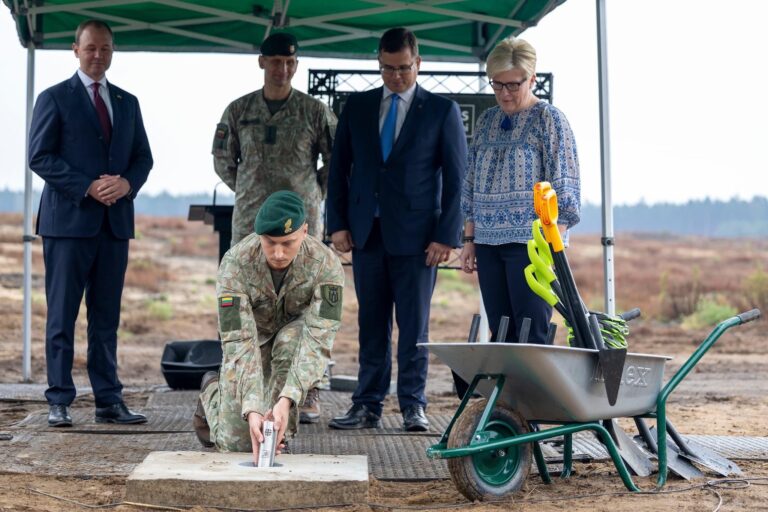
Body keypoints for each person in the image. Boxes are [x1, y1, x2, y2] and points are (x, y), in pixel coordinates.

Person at [326, 28, 466, 432]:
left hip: (420, 240)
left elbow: (458, 180)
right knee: (370, 325)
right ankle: (366, 405)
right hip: (366, 235)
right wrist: (337, 224)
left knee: (414, 327)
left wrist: (446, 235)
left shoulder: (442, 111)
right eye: (388, 69)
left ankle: (412, 406)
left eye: (404, 68)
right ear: (379, 63)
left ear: (418, 63)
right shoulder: (357, 106)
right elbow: (339, 172)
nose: (396, 76)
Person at [28, 19, 153, 427]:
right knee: (62, 316)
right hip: (67, 226)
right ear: (75, 50)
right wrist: (87, 187)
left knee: (105, 320)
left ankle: (108, 401)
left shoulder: (129, 102)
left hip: (114, 226)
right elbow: (40, 157)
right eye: (90, 48)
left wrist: (126, 182)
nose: (98, 55)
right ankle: (59, 400)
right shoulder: (54, 98)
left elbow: (143, 158)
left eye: (105, 49)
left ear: (112, 52)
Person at [193, 191, 344, 463]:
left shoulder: (327, 265)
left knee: (272, 432)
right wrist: (251, 408)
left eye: (288, 243)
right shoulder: (235, 263)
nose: (277, 253)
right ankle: (213, 390)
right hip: (253, 342)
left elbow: (318, 339)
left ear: (305, 231)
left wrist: (288, 399)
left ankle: (283, 419)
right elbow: (239, 339)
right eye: (269, 242)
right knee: (236, 445)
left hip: (295, 345)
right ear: (258, 235)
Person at [459, 36, 580, 346]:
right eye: (497, 85)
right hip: (487, 243)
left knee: (532, 332)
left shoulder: (549, 120)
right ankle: (506, 396)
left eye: (513, 85)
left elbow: (565, 189)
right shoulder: (487, 121)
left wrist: (551, 249)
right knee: (500, 333)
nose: (505, 93)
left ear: (532, 78)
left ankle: (532, 396)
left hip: (532, 245)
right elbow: (471, 185)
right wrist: (469, 240)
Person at [212, 31, 337, 244]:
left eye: (290, 62)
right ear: (262, 62)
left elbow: (337, 160)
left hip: (300, 216)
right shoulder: (239, 110)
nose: (284, 69)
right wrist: (249, 187)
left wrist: (312, 191)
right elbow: (223, 160)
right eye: (276, 62)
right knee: (249, 274)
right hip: (251, 217)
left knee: (302, 276)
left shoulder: (314, 111)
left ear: (297, 64)